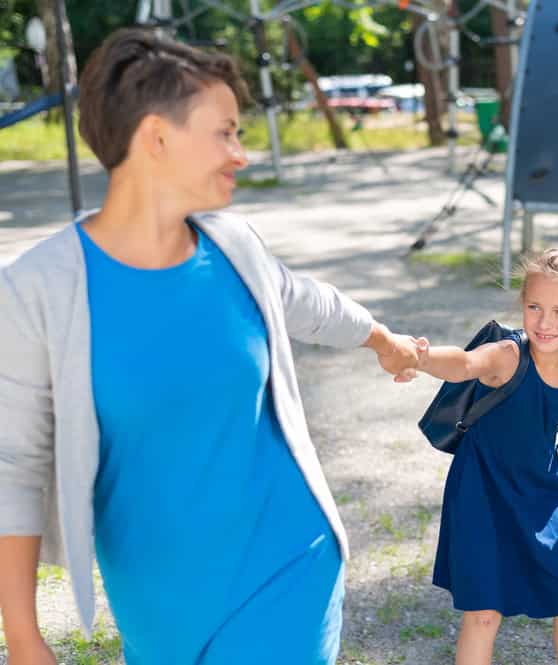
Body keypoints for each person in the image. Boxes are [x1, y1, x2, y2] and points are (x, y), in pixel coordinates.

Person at [0, 28, 422, 665]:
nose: (241, 155)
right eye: (225, 132)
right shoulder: (37, 289)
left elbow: (305, 301)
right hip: (156, 599)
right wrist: (25, 639)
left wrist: (382, 340)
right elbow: (15, 469)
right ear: (156, 137)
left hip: (287, 564)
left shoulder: (235, 247)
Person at [413, 248, 558, 665]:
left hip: (542, 493)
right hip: (480, 492)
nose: (545, 322)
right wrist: (422, 357)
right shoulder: (508, 356)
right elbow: (464, 363)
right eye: (534, 307)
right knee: (484, 613)